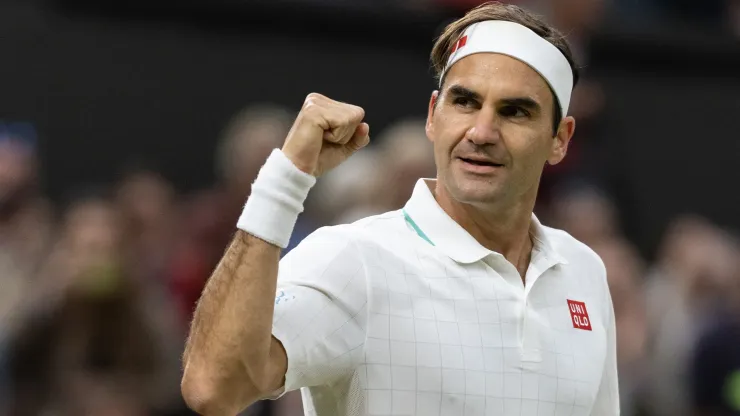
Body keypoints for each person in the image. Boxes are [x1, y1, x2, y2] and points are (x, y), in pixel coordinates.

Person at [181, 2, 619, 415]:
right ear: (433, 115)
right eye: (464, 102)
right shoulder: (357, 258)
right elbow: (213, 387)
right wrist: (284, 180)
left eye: (515, 111)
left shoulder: (584, 271)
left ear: (560, 139)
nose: (481, 131)